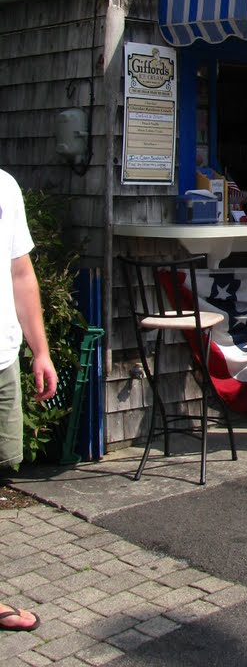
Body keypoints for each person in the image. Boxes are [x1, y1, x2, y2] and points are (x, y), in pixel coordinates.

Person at [0, 168, 58, 632]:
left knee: (1, 465)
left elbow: (20, 271)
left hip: (1, 361)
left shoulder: (5, 186)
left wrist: (40, 351)